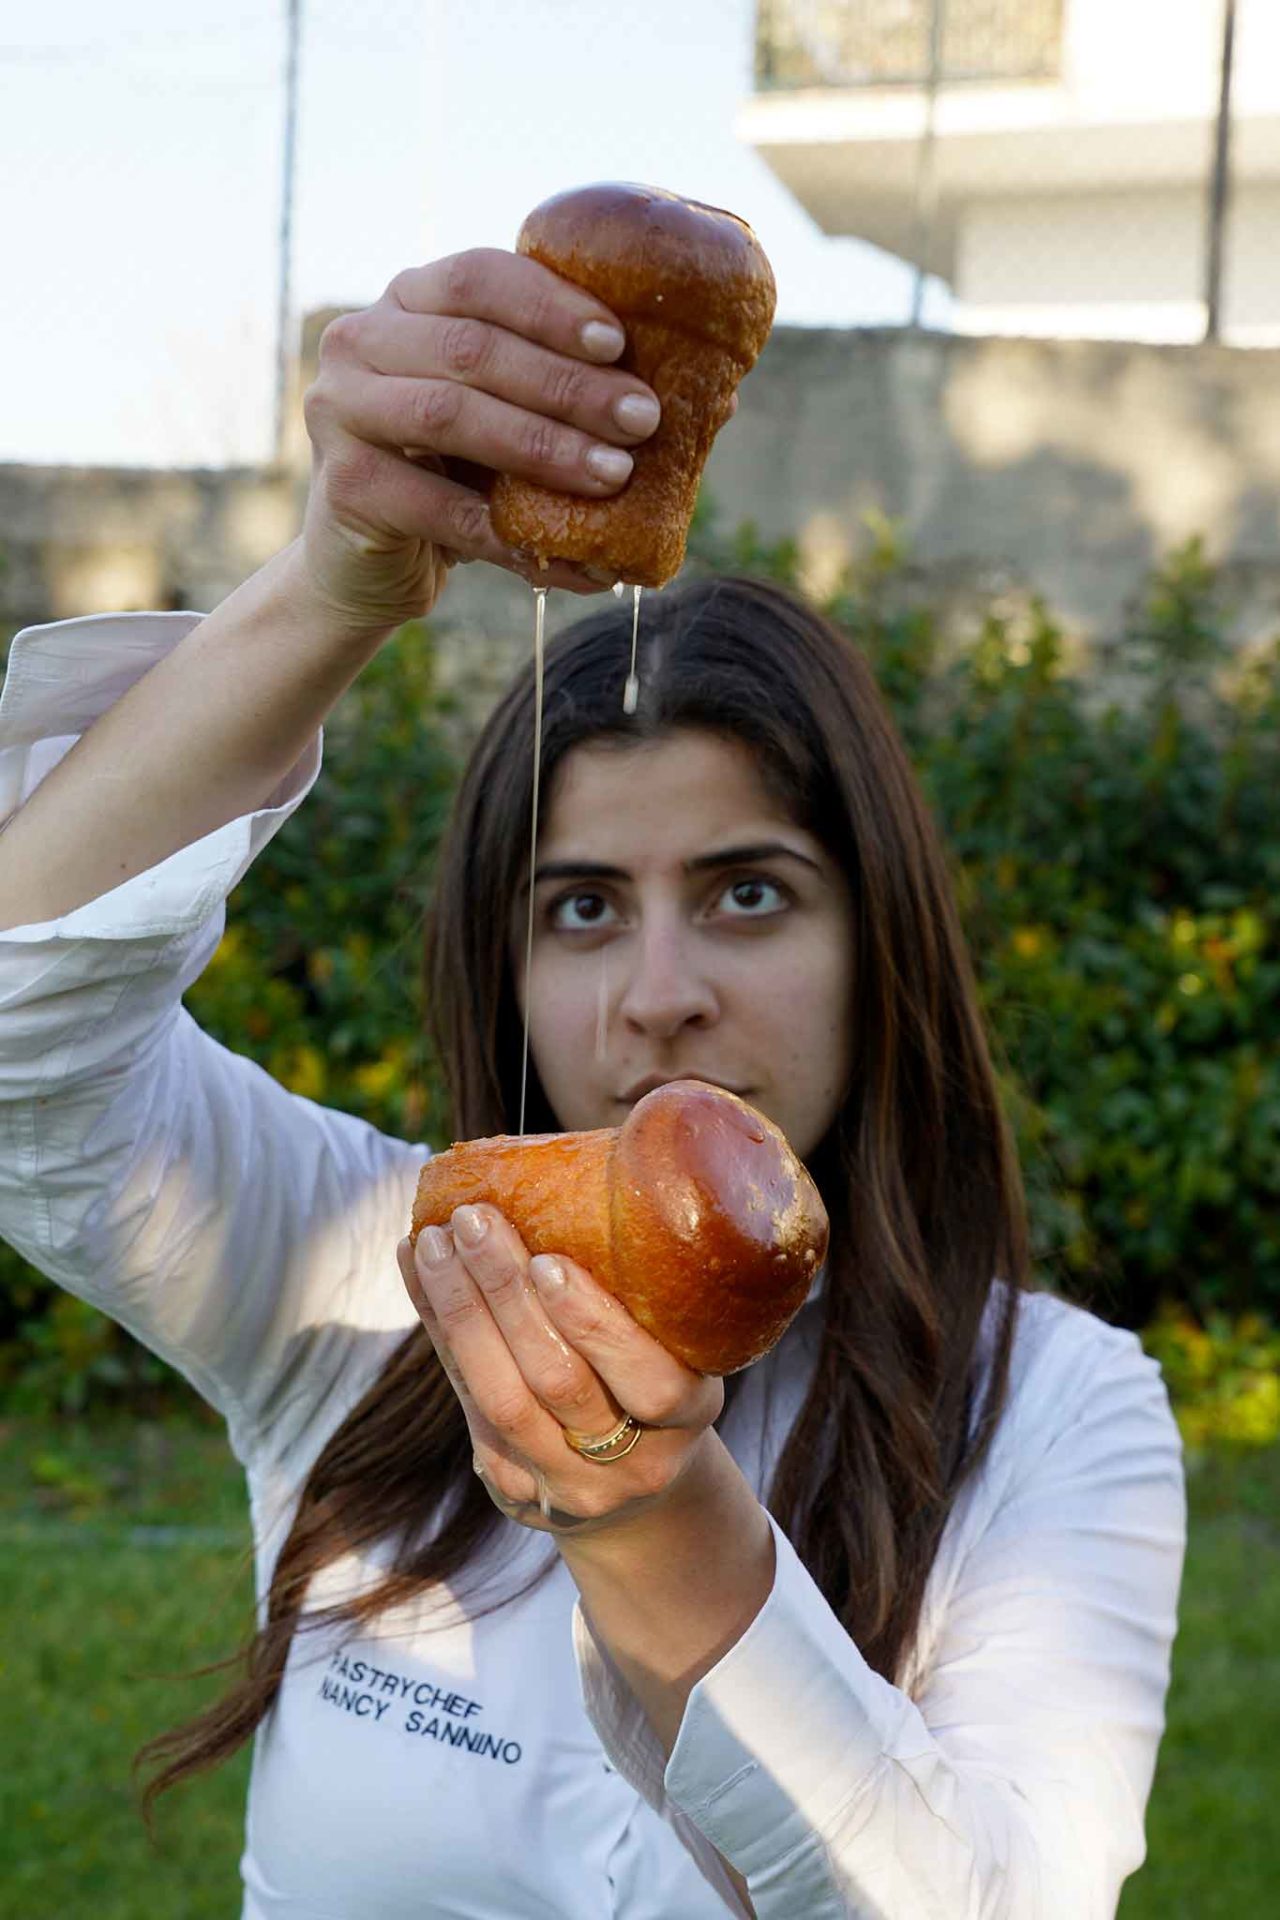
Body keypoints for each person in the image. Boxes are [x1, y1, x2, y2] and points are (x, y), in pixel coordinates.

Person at [0, 247, 1185, 1920]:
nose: (661, 1000)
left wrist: (654, 1530)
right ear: (510, 967)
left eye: (750, 892)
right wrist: (334, 584)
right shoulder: (364, 1279)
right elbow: (17, 1045)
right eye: (580, 908)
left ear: (883, 945)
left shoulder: (1059, 1410)